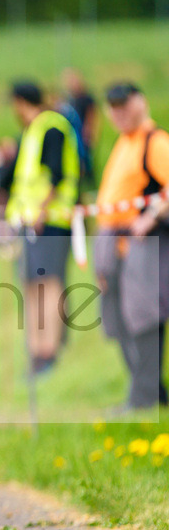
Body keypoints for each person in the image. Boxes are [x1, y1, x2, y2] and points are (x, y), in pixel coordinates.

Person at [94, 82, 169, 410]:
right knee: (119, 320)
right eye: (113, 107)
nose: (119, 113)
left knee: (143, 316)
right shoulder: (124, 143)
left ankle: (144, 397)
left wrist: (150, 217)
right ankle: (150, 392)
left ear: (140, 102)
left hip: (142, 246)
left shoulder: (155, 141)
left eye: (124, 105)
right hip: (116, 246)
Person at [5, 80, 80, 376]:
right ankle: (36, 351)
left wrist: (41, 210)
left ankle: (49, 350)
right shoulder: (32, 131)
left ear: (21, 102)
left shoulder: (52, 127)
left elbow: (55, 174)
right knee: (31, 284)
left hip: (49, 221)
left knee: (49, 286)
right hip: (29, 222)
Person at [61, 68, 99, 192]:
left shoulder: (86, 98)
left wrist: (90, 133)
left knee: (87, 162)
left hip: (83, 135)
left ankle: (91, 187)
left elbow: (92, 115)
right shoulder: (70, 99)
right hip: (74, 135)